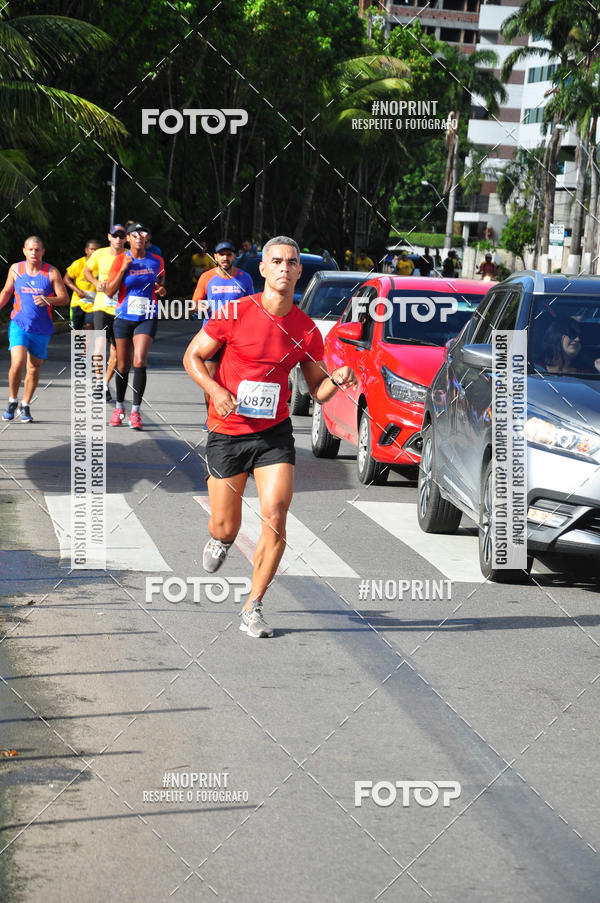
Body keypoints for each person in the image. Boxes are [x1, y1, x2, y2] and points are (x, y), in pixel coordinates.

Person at [183, 236, 357, 638]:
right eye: (275, 261)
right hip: (227, 431)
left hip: (273, 434)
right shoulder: (235, 312)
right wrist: (216, 390)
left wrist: (339, 378)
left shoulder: (306, 329)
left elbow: (318, 390)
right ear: (262, 269)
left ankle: (253, 606)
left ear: (299, 271)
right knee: (225, 525)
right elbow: (192, 356)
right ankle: (221, 540)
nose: (283, 267)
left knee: (275, 518)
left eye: (291, 262)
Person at [0, 236, 68, 422]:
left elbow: (64, 298)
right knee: (18, 363)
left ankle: (25, 404)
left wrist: (49, 299)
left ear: (43, 252)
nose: (34, 253)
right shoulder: (16, 269)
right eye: (30, 249)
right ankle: (13, 400)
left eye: (37, 250)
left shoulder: (51, 272)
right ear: (24, 251)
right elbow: (6, 292)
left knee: (34, 368)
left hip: (42, 328)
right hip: (19, 324)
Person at [104, 222, 165, 430]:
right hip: (123, 317)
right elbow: (110, 292)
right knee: (122, 365)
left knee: (140, 360)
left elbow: (159, 285)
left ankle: (136, 412)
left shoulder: (156, 260)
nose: (139, 236)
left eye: (143, 232)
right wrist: (123, 268)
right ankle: (119, 407)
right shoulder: (120, 260)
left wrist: (161, 290)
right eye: (134, 233)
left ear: (147, 238)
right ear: (128, 239)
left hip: (147, 315)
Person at [192, 239, 254, 429]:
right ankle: (211, 416)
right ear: (216, 257)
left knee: (234, 377)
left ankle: (233, 417)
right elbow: (194, 303)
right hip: (212, 335)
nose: (225, 258)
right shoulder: (207, 277)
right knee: (210, 377)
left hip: (236, 336)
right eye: (221, 254)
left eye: (229, 254)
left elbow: (252, 305)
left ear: (234, 256)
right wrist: (200, 306)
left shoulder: (245, 278)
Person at [85, 224, 127, 401]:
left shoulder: (129, 256)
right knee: (100, 345)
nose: (118, 239)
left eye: (121, 236)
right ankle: (98, 381)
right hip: (102, 305)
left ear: (126, 238)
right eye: (115, 235)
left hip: (121, 307)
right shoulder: (99, 254)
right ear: (109, 237)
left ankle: (104, 383)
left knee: (117, 351)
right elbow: (87, 271)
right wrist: (95, 283)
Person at [64, 239, 100, 332]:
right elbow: (66, 279)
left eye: (96, 250)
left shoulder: (101, 265)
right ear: (86, 250)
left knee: (90, 326)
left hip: (93, 304)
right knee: (77, 331)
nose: (94, 252)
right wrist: (77, 290)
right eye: (92, 249)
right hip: (78, 302)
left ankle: (89, 347)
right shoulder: (79, 263)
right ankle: (80, 347)